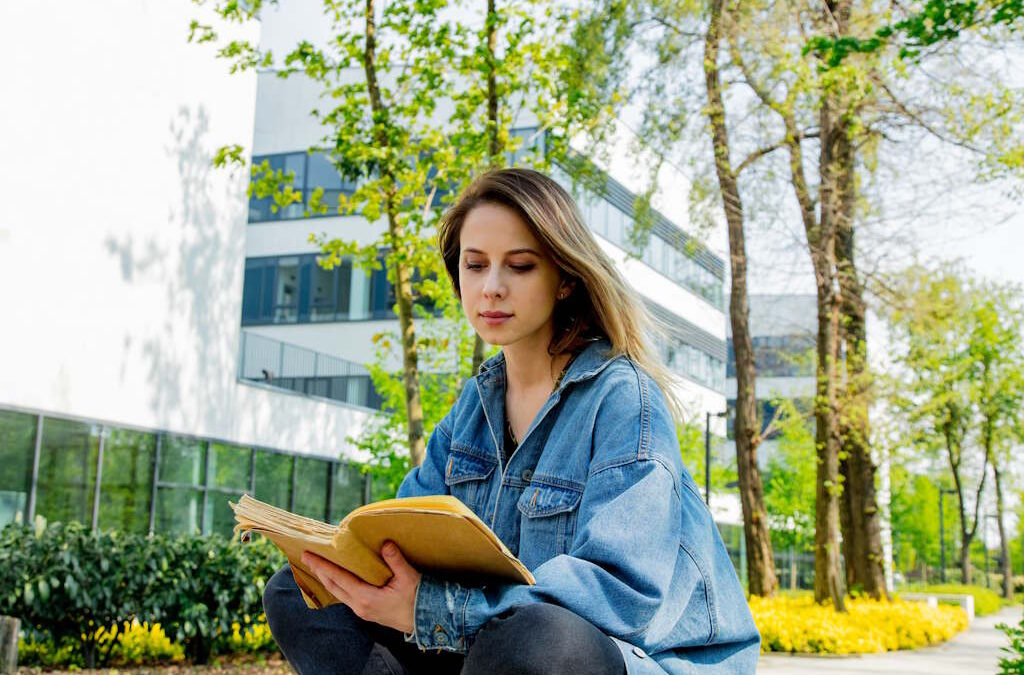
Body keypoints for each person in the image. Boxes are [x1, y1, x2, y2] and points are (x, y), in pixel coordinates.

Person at [262, 168, 761, 674]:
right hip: (489, 645)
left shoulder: (623, 399)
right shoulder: (475, 405)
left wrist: (432, 610)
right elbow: (403, 534)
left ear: (566, 278)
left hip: (637, 658)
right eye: (475, 265)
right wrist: (359, 571)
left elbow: (619, 595)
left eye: (519, 266)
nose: (492, 288)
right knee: (301, 592)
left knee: (537, 637)